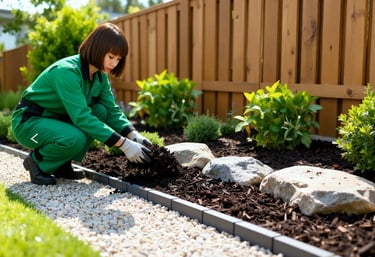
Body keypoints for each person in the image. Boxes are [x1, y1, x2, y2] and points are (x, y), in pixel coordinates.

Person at [11, 22, 152, 186]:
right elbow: (82, 118)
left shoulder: (100, 76)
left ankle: (61, 165)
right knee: (74, 138)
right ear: (97, 49)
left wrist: (133, 134)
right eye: (111, 57)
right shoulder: (67, 72)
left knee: (100, 110)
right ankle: (36, 162)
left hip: (56, 119)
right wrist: (124, 145)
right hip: (29, 123)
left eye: (118, 59)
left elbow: (111, 110)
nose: (114, 64)